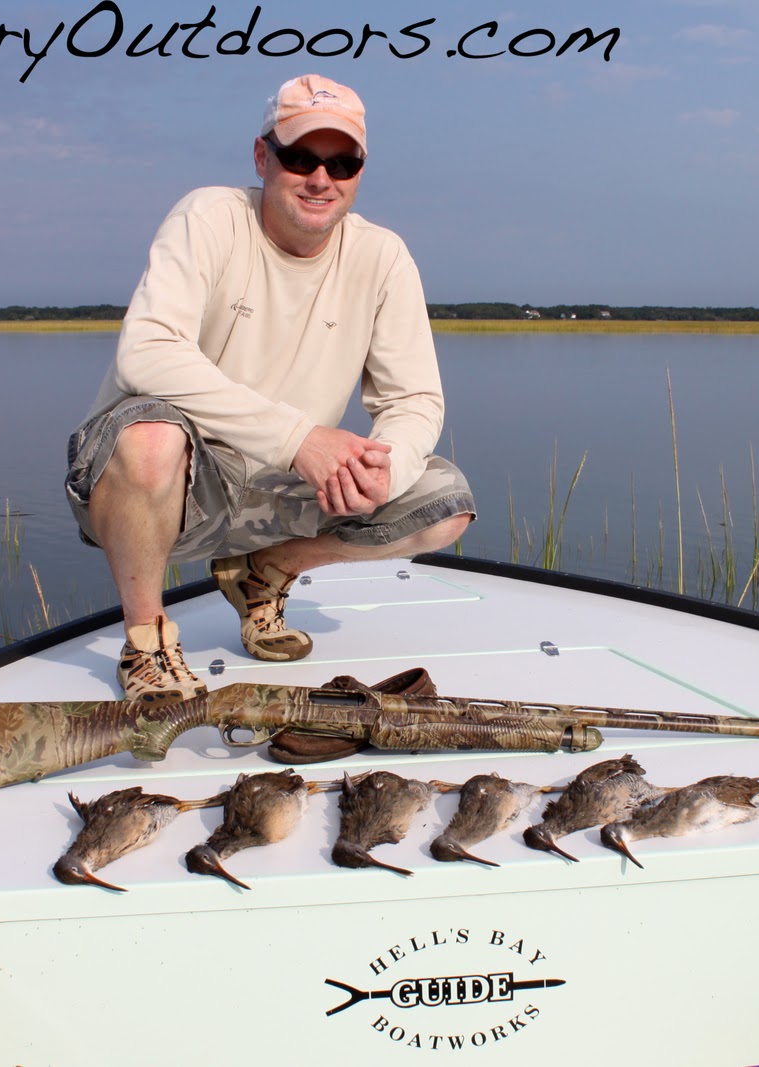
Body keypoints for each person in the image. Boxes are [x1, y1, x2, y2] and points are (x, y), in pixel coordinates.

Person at [65, 74, 475, 704]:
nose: (321, 178)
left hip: (278, 492)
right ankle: (145, 642)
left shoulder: (383, 256)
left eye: (342, 162)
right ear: (263, 157)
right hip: (165, 489)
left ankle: (268, 572)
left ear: (360, 170)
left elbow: (414, 401)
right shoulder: (208, 216)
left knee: (444, 504)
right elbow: (146, 351)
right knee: (150, 436)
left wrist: (378, 472)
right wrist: (300, 438)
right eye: (300, 157)